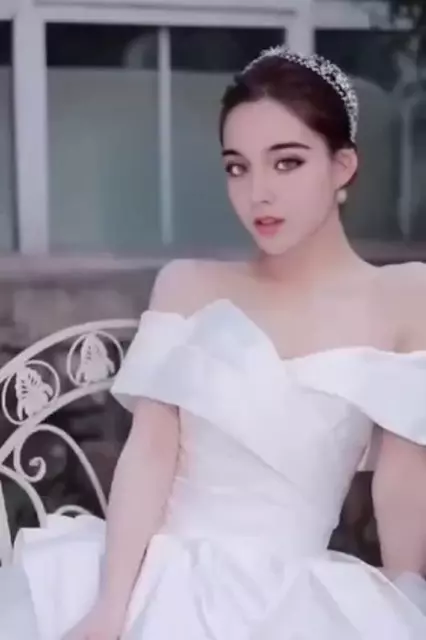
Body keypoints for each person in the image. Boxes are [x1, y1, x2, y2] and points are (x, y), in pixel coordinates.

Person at [1, 46, 426, 640]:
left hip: (294, 599)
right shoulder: (188, 284)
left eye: (287, 162)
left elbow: (402, 482)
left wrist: (405, 602)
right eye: (237, 167)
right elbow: (150, 454)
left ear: (343, 166)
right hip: (159, 576)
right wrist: (111, 606)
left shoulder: (404, 295)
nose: (258, 193)